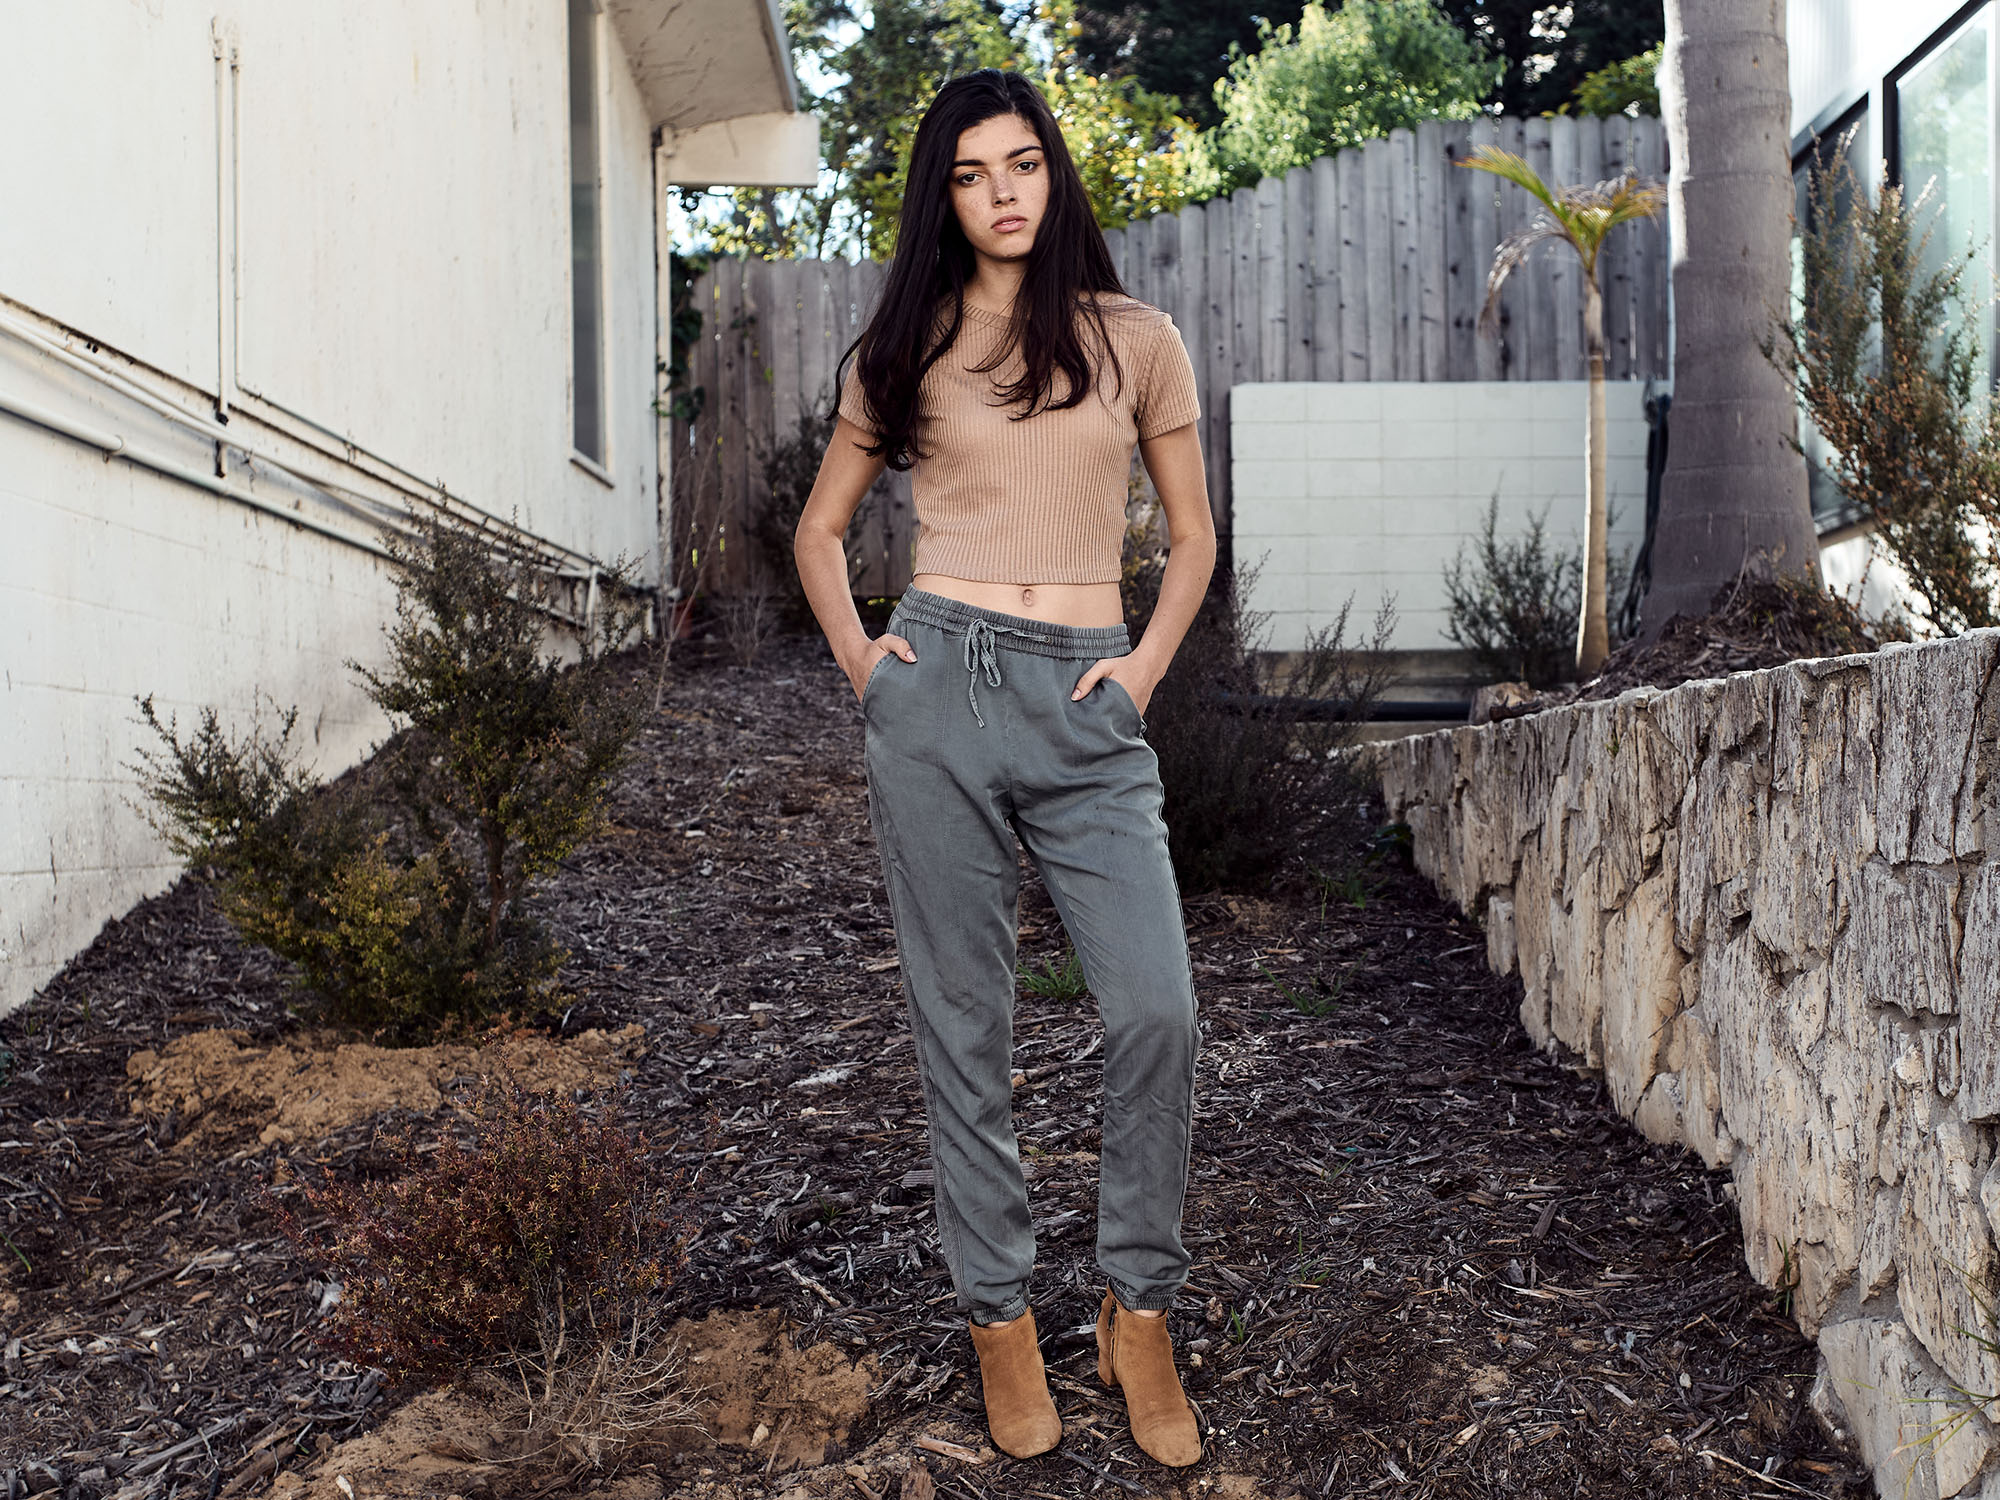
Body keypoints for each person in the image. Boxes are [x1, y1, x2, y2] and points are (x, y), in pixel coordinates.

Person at [792, 68, 1215, 1469]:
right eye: (972, 175)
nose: (1003, 194)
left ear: (1053, 171)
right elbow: (818, 534)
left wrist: (1140, 673)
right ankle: (1001, 1323)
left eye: (1022, 163)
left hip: (1088, 701)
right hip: (940, 696)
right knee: (964, 1029)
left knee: (1156, 1012)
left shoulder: (1135, 339)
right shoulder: (905, 348)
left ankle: (1136, 1312)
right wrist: (870, 669)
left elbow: (1194, 538)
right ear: (946, 197)